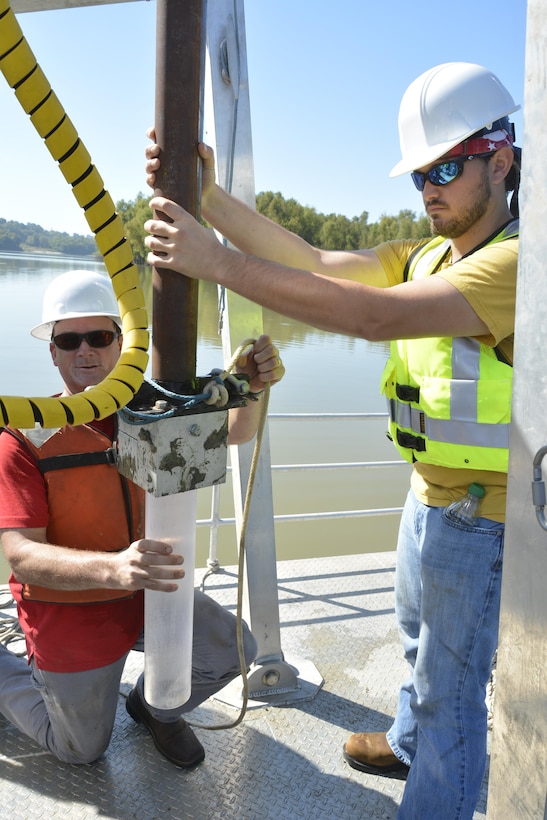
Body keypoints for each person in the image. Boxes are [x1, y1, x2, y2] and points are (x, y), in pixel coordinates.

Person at [143, 61, 520, 817]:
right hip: (429, 495)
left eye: (444, 167)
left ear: (500, 159)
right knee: (417, 642)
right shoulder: (424, 253)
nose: (428, 188)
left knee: (451, 691)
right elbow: (312, 263)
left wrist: (211, 260)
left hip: (483, 517)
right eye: (418, 174)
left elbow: (369, 317)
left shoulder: (517, 265)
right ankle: (408, 741)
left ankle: (433, 785)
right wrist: (210, 199)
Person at [0, 269, 285, 769]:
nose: (84, 350)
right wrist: (114, 568)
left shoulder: (156, 408)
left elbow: (236, 432)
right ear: (52, 352)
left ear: (121, 344)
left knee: (235, 649)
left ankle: (155, 709)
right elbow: (21, 556)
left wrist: (252, 386)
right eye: (68, 340)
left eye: (99, 336)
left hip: (147, 591)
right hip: (71, 612)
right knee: (81, 750)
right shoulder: (23, 438)